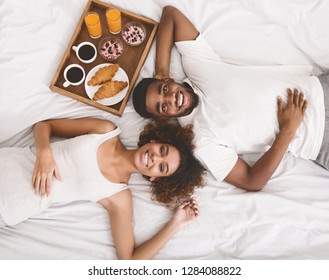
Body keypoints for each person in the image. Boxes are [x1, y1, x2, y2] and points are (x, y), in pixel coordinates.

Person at [133, 5, 329, 191]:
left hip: (320, 89)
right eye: (163, 107)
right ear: (164, 118)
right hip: (319, 141)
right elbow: (252, 182)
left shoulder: (198, 67)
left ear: (169, 80)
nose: (170, 98)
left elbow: (171, 14)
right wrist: (287, 131)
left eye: (164, 89)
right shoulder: (199, 141)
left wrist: (160, 71)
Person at [0, 117, 205, 260]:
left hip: (12, 204)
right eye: (162, 150)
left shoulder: (118, 197)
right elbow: (44, 126)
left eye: (162, 167)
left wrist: (176, 223)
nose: (155, 158)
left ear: (154, 178)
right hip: (8, 162)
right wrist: (44, 152)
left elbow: (128, 260)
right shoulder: (106, 131)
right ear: (155, 141)